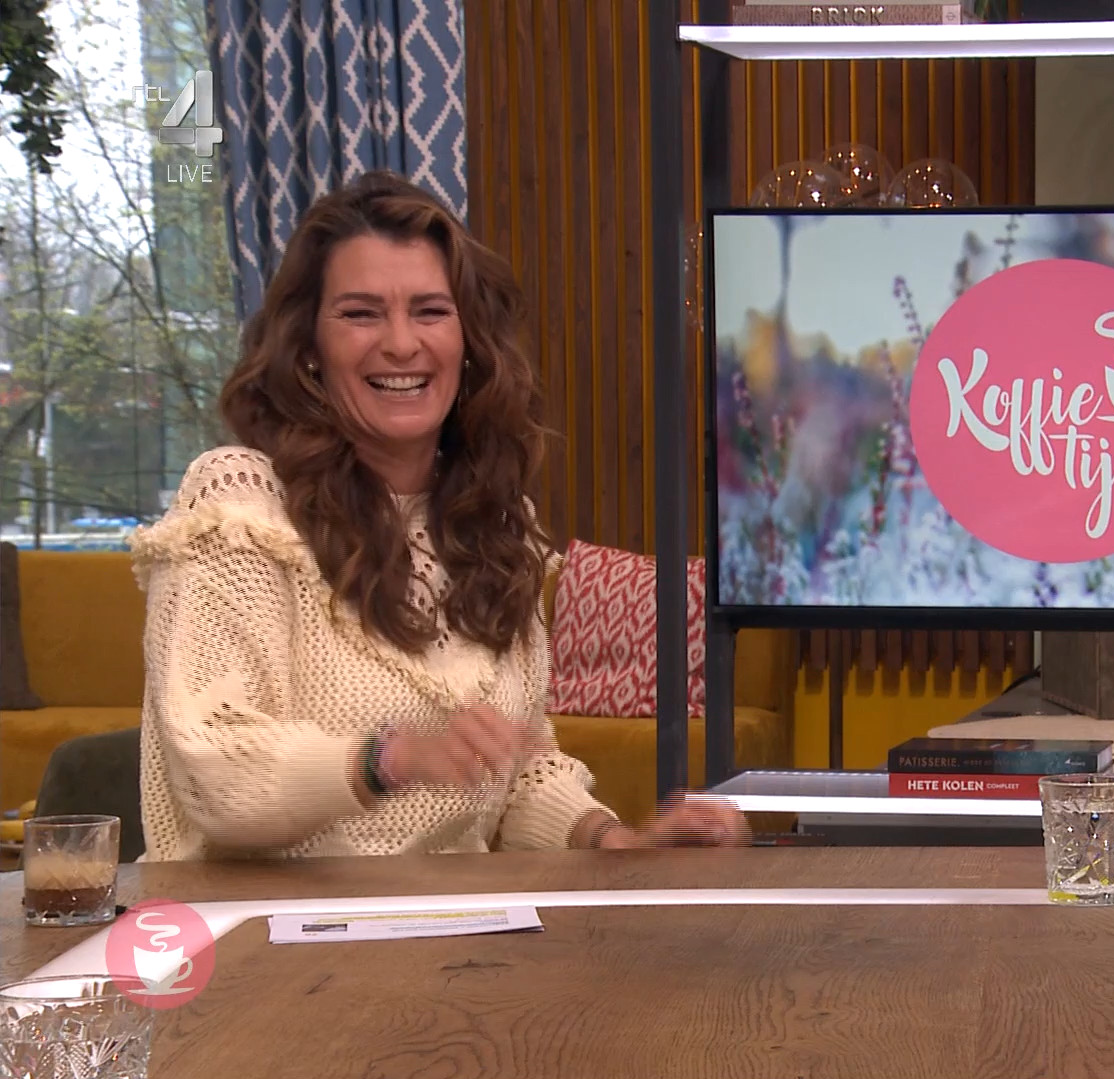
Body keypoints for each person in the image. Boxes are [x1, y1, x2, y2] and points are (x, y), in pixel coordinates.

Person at [133, 171, 747, 860]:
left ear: (468, 340)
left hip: (453, 926)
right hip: (253, 926)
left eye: (429, 311)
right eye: (361, 314)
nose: (401, 344)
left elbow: (515, 772)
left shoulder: (496, 521)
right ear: (307, 348)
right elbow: (214, 772)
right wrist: (389, 760)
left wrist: (610, 838)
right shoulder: (238, 503)